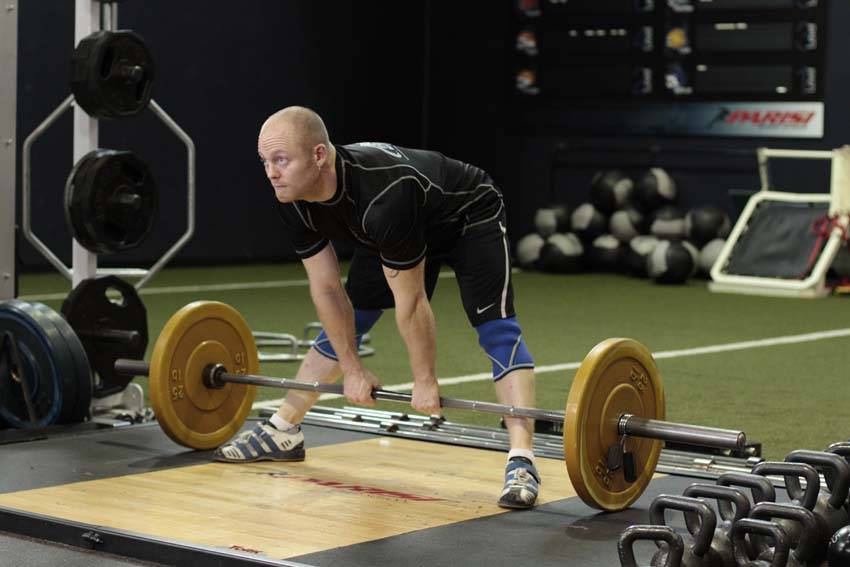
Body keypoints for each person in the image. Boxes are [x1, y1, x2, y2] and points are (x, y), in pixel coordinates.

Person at [214, 106, 540, 509]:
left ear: (318, 155)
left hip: (467, 214)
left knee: (496, 326)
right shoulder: (293, 196)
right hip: (390, 224)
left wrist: (424, 379)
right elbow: (328, 290)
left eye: (281, 160)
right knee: (358, 310)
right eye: (265, 161)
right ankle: (284, 429)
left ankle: (522, 459)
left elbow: (413, 301)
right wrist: (351, 367)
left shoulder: (384, 196)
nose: (271, 172)